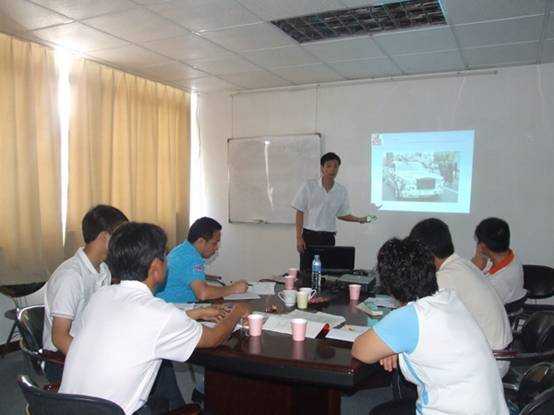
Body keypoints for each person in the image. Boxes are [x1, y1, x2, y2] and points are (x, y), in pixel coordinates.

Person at [60, 222, 250, 415]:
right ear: (156, 268)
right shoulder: (158, 314)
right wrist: (236, 311)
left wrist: (197, 313)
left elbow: (141, 323)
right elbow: (213, 338)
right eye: (165, 256)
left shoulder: (100, 297)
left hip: (64, 408)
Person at [353, 237, 508, 415]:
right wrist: (393, 346)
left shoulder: (408, 317)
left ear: (389, 286)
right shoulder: (449, 298)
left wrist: (391, 345)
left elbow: (360, 350)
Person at [409, 218, 512, 376]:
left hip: (489, 361)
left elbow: (416, 315)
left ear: (425, 253)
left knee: (415, 350)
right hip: (500, 354)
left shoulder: (445, 277)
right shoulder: (462, 265)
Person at [43, 204, 128, 382]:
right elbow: (59, 337)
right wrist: (96, 363)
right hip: (64, 359)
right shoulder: (71, 277)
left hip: (90, 344)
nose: (124, 243)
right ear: (104, 237)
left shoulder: (103, 270)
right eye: (121, 237)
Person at [292, 152, 368, 271]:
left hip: (328, 238)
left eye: (335, 166)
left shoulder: (341, 190)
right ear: (322, 168)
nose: (332, 169)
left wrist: (359, 219)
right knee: (306, 272)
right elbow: (299, 211)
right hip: (309, 237)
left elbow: (342, 214)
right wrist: (298, 237)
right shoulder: (309, 186)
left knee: (327, 272)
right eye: (328, 166)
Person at [156, 217, 247, 303]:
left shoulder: (181, 249)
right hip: (176, 307)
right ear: (201, 241)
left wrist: (203, 276)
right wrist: (233, 288)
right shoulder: (191, 258)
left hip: (167, 304)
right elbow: (203, 294)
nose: (216, 248)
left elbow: (184, 275)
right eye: (214, 243)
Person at [472, 217, 526, 304]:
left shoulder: (497, 283)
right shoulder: (511, 256)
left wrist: (473, 269)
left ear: (482, 246)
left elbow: (470, 301)